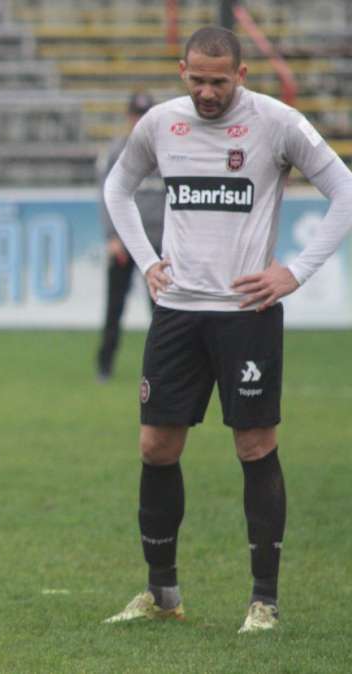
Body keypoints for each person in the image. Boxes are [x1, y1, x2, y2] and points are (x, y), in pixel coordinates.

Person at [102, 26, 352, 633]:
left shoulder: (278, 122)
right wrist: (147, 259)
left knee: (254, 446)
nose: (208, 92)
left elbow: (344, 189)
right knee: (156, 447)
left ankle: (262, 601)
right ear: (182, 70)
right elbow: (119, 186)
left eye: (220, 80)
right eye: (198, 79)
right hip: (179, 312)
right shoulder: (161, 123)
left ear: (241, 75)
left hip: (247, 315)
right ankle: (162, 594)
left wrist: (294, 271)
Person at [95, 91, 166, 381]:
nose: (141, 121)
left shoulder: (169, 151)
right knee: (115, 307)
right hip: (126, 242)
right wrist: (113, 236)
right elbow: (107, 196)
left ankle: (163, 367)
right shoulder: (117, 152)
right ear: (129, 117)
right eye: (137, 115)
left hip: (161, 242)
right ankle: (104, 365)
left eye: (146, 115)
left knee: (163, 312)